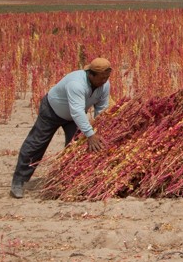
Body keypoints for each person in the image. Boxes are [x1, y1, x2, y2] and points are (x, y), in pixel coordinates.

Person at [10, 58, 112, 198]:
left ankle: (67, 180)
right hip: (52, 111)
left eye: (107, 78)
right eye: (102, 78)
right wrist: (90, 134)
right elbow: (76, 110)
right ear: (91, 74)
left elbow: (101, 107)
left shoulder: (105, 85)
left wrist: (100, 127)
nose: (104, 81)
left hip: (73, 118)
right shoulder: (76, 83)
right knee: (36, 144)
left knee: (75, 147)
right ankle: (18, 182)